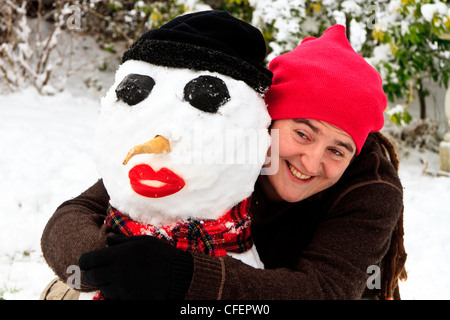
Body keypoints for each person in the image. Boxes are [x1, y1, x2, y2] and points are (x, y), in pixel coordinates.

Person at [40, 18, 407, 300]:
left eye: (337, 149)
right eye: (302, 133)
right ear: (266, 118)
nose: (311, 162)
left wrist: (182, 276)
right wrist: (112, 265)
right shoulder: (224, 137)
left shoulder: (372, 189)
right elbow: (73, 214)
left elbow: (323, 291)